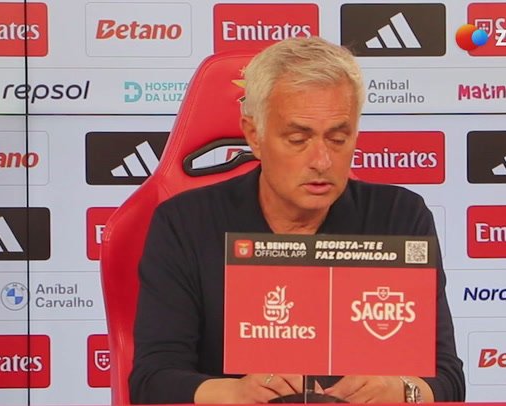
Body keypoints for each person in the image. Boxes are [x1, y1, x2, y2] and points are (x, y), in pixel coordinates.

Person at [130, 36, 465, 404]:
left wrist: (403, 391)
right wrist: (234, 392)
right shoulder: (185, 224)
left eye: (338, 139)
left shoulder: (400, 217)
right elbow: (152, 382)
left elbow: (447, 378)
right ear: (254, 136)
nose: (321, 160)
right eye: (297, 139)